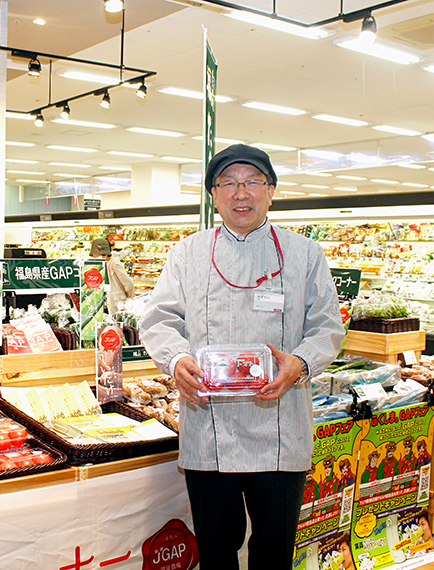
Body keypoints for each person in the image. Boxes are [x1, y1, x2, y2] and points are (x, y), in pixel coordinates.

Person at [139, 144, 345, 570]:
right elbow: (158, 320)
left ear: (271, 191)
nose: (241, 193)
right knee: (217, 551)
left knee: (273, 553)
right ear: (213, 195)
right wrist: (177, 360)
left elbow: (327, 327)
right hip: (209, 427)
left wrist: (301, 363)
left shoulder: (305, 255)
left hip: (280, 424)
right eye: (228, 183)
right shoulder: (186, 254)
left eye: (252, 182)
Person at [90, 238, 135, 315]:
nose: (95, 258)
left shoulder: (114, 263)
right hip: (107, 303)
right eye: (94, 256)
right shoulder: (102, 265)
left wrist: (130, 300)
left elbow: (128, 283)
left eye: (97, 255)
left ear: (105, 254)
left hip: (118, 303)